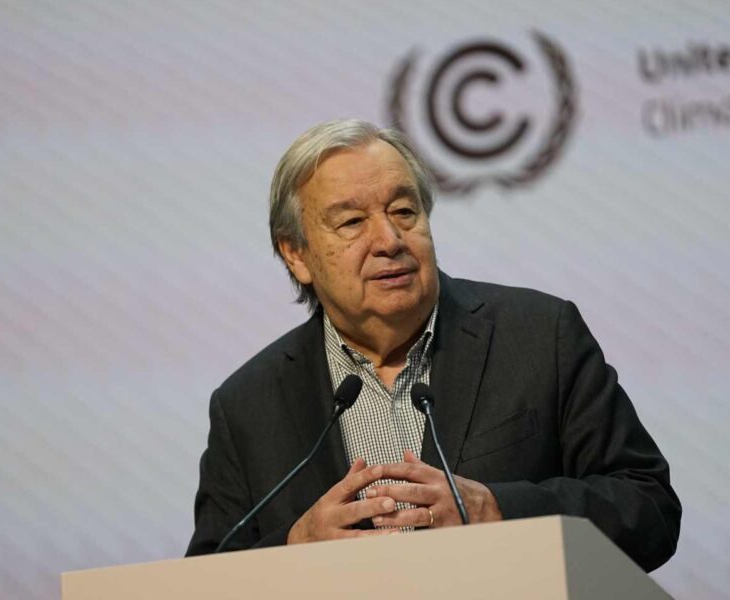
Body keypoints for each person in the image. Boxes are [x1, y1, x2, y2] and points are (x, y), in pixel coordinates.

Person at [186, 119, 681, 571]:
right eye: (352, 222)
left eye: (404, 210)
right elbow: (201, 579)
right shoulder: (248, 406)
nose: (389, 239)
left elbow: (650, 507)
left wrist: (499, 510)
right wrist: (292, 548)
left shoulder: (538, 335)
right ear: (296, 255)